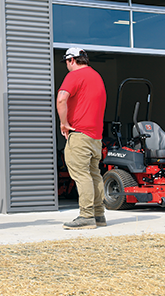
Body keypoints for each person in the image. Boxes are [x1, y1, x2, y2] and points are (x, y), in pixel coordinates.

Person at [56, 47, 107, 230]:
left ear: (71, 60)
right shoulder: (97, 76)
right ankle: (98, 214)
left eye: (67, 63)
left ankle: (86, 216)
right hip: (96, 137)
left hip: (80, 134)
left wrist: (63, 123)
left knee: (81, 174)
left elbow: (61, 98)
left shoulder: (75, 75)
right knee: (94, 174)